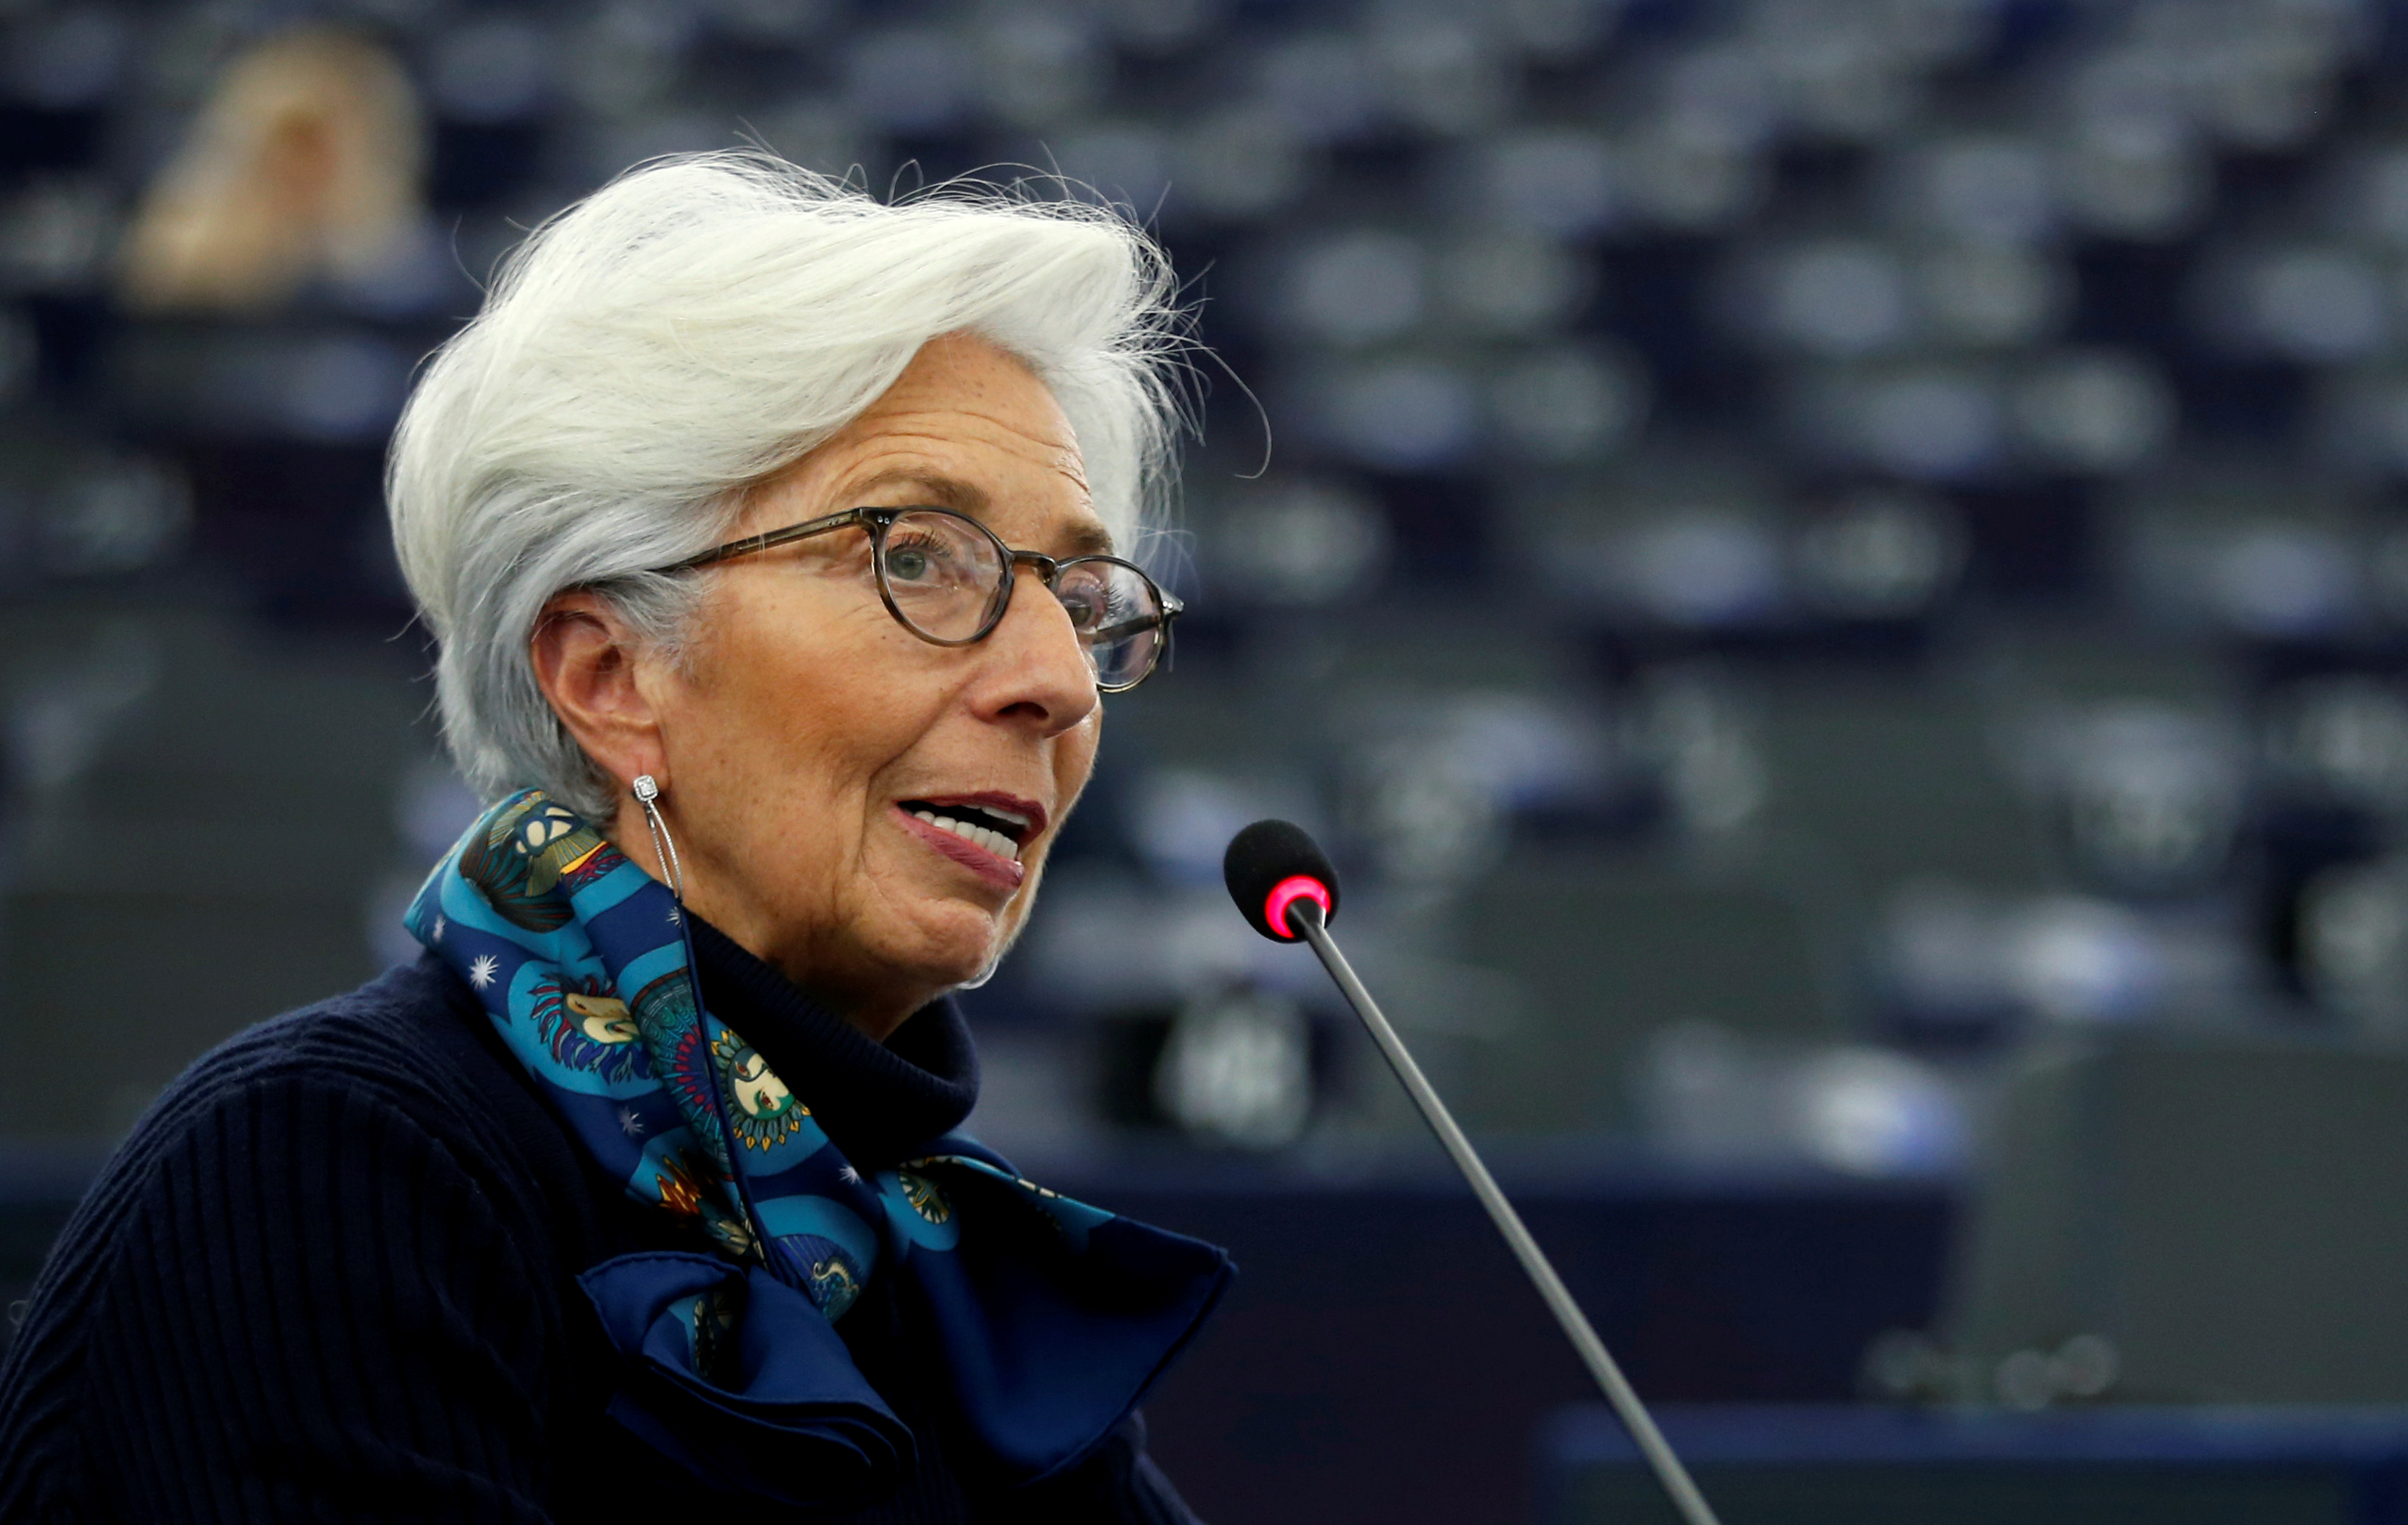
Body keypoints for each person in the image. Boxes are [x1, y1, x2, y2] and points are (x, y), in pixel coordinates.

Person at [0, 153, 1232, 1522]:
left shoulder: (933, 1269)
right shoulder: (326, 1167)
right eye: (917, 555)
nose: (1058, 678)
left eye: (1078, 594)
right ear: (609, 677)